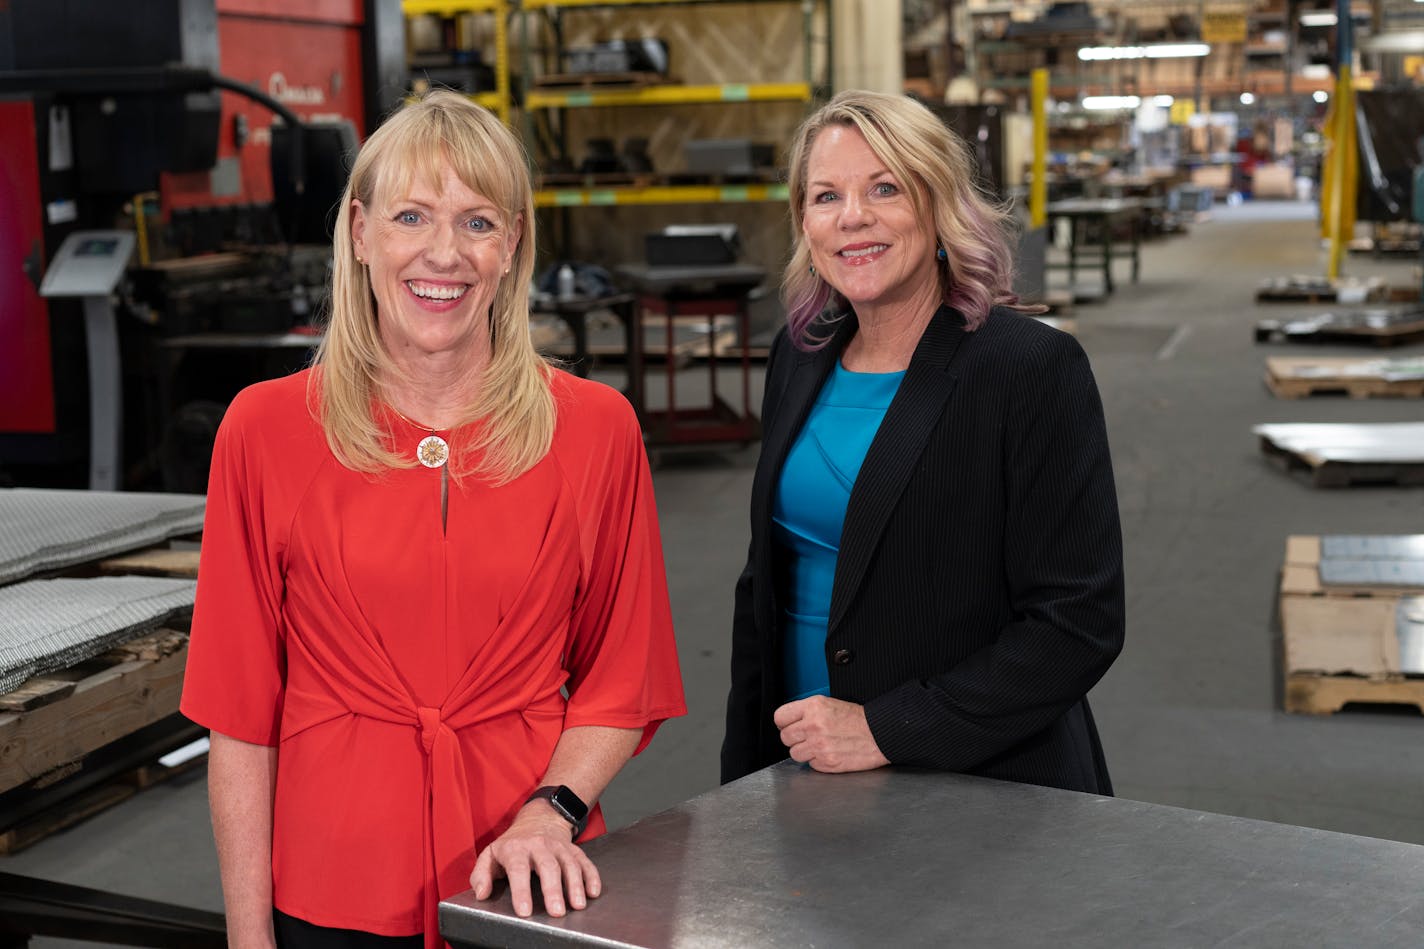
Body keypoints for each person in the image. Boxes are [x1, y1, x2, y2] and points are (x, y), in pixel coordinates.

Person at [181, 90, 686, 949]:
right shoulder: (263, 429)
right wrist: (247, 935)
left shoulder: (596, 429)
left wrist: (553, 809)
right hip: (331, 886)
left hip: (531, 877)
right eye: (412, 215)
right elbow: (239, 710)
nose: (444, 254)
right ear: (360, 231)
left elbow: (621, 674)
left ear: (513, 242)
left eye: (478, 222)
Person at [722, 90, 1124, 793]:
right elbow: (764, 587)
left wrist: (886, 728)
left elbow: (1076, 622)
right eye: (826, 196)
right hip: (802, 769)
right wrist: (741, 776)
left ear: (939, 206)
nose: (853, 217)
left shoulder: (1026, 369)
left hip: (977, 783)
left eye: (885, 188)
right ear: (804, 224)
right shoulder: (800, 355)